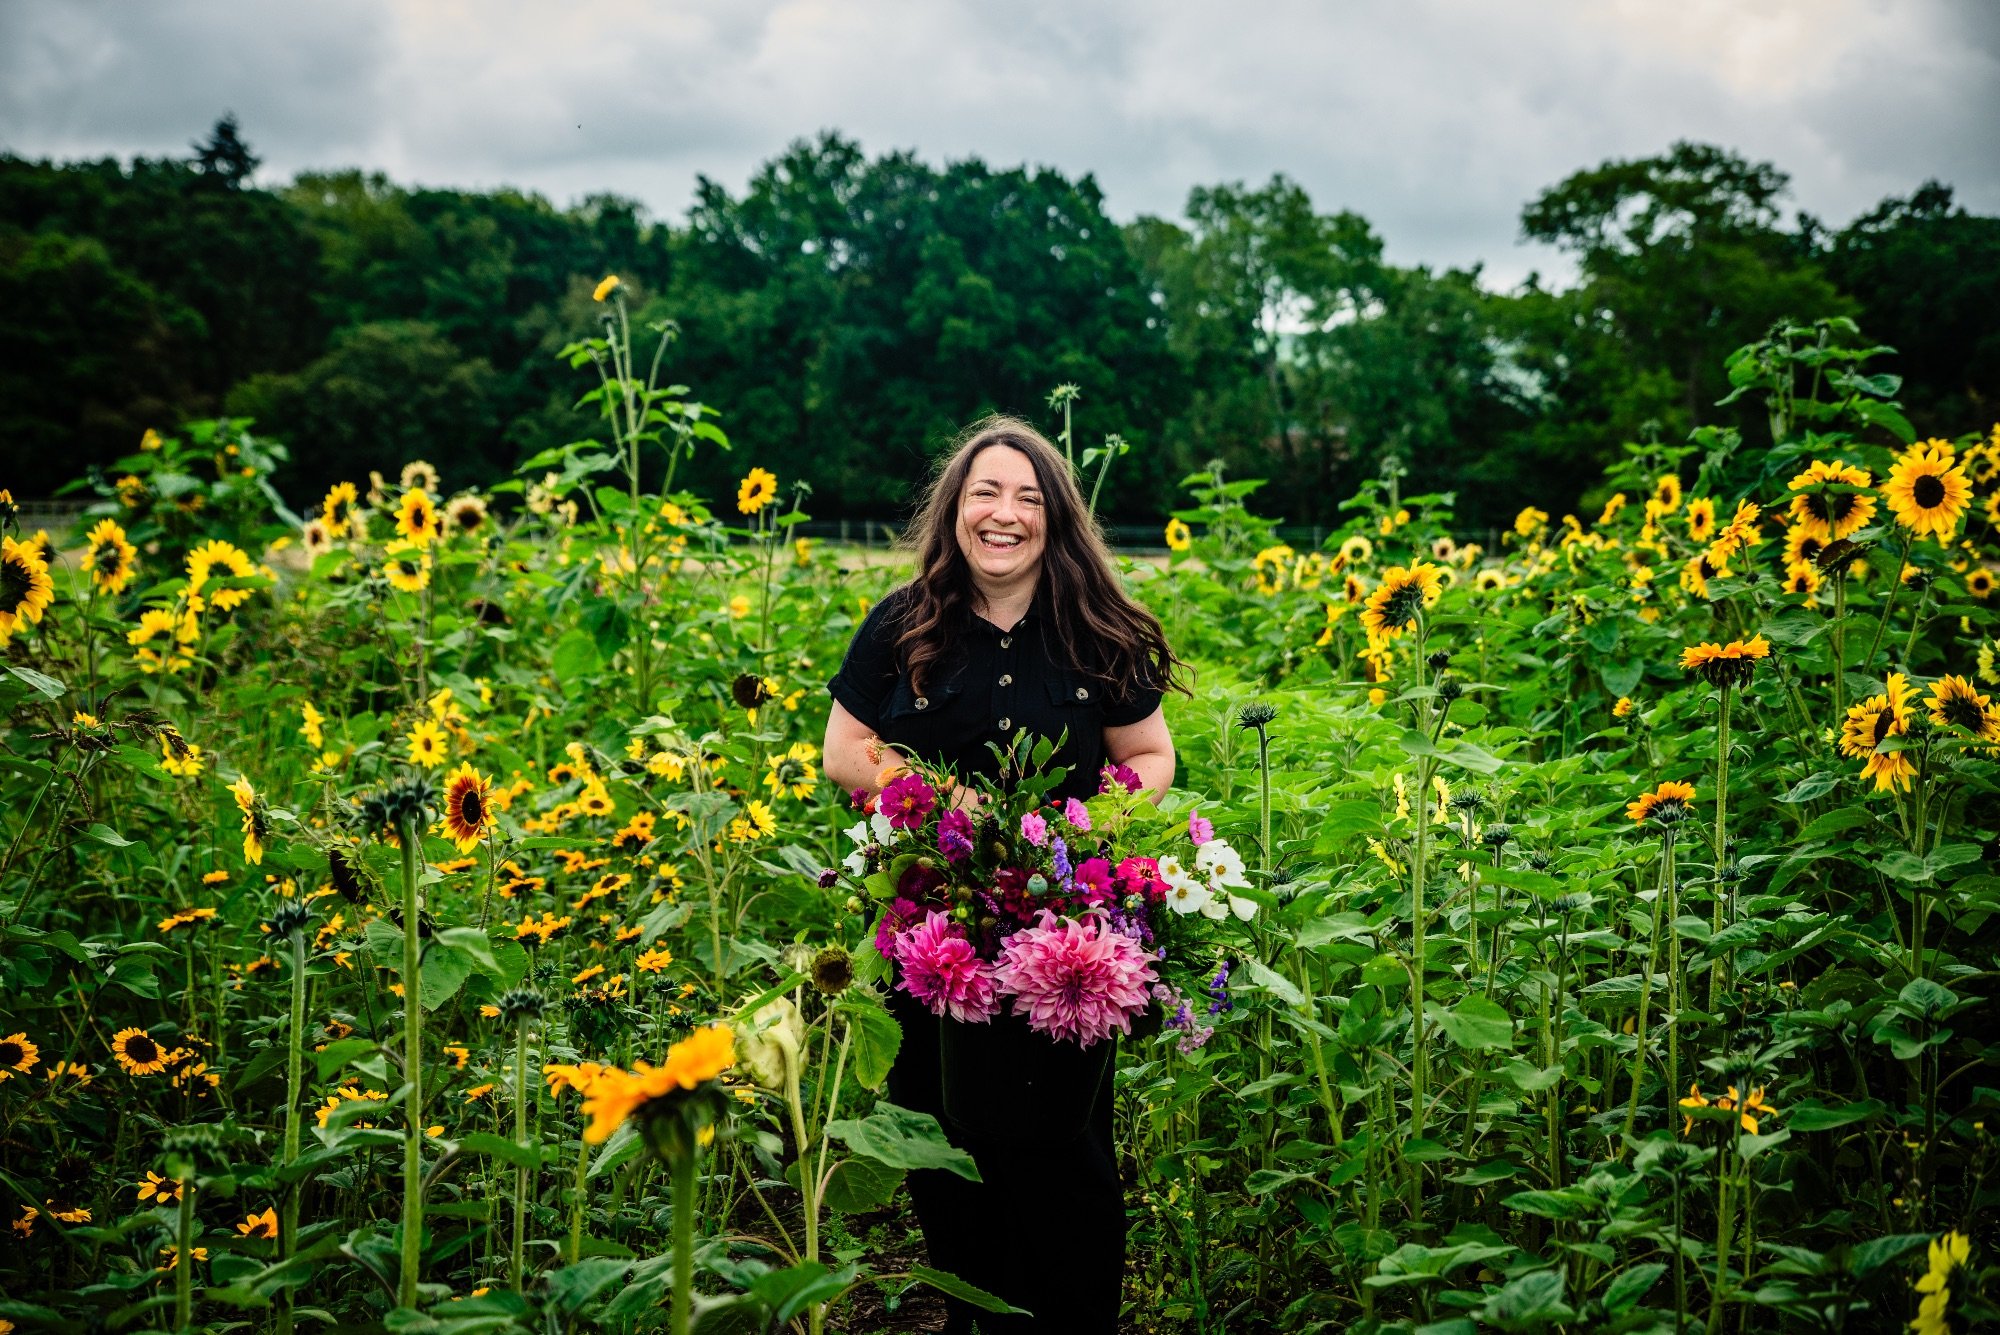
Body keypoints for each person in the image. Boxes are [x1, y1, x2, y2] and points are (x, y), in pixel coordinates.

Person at [823, 415, 1185, 1333]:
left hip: (1061, 931)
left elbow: (1149, 755)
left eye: (1028, 497)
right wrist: (947, 807)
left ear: (1054, 520)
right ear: (954, 510)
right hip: (928, 931)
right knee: (940, 1139)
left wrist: (1076, 824)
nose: (1004, 512)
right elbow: (844, 751)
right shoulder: (904, 623)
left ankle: (1073, 1319)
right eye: (986, 491)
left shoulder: (1098, 629)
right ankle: (975, 1314)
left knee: (1060, 1149)